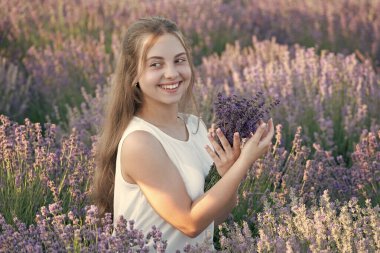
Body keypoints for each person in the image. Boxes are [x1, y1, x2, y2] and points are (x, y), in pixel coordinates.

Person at [93, 16, 274, 252]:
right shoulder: (140, 142)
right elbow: (189, 223)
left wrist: (228, 174)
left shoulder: (195, 126)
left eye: (179, 61)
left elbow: (211, 221)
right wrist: (245, 162)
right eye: (155, 64)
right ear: (134, 74)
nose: (171, 73)